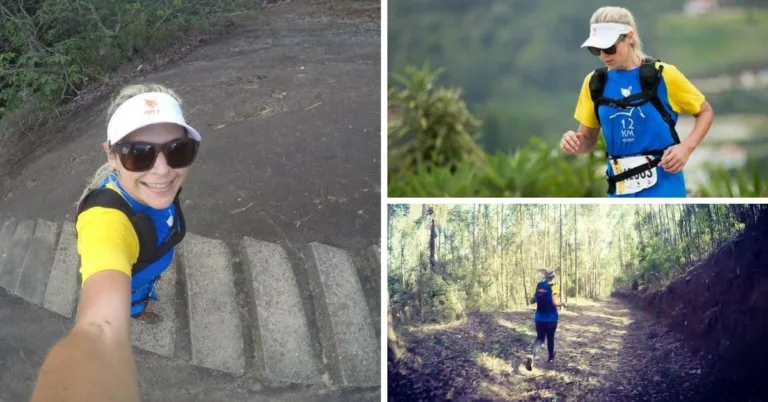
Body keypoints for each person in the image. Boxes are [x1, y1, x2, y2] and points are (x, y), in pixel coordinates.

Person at [29, 84, 201, 401]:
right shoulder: (105, 221)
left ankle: (141, 304)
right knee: (131, 302)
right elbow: (101, 326)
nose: (163, 170)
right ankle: (136, 310)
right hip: (131, 281)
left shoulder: (154, 187)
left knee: (144, 291)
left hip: (148, 270)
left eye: (178, 150)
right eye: (139, 155)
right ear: (111, 155)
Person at [560, 6, 714, 197]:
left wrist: (686, 148)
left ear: (629, 37)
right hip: (619, 194)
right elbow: (587, 141)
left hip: (665, 190)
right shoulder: (594, 82)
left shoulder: (665, 75)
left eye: (609, 47)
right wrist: (573, 143)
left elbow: (705, 112)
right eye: (596, 49)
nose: (603, 55)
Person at [525, 269, 566, 371]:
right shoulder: (554, 286)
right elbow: (555, 303)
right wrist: (563, 303)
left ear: (545, 276)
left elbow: (532, 300)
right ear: (553, 277)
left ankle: (532, 356)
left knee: (539, 338)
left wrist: (532, 298)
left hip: (539, 318)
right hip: (551, 319)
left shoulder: (539, 285)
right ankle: (551, 357)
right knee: (550, 337)